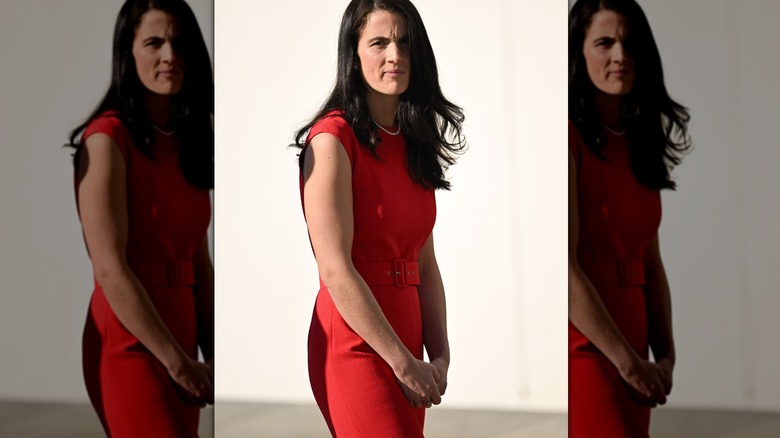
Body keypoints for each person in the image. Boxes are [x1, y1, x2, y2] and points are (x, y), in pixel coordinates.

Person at [294, 0, 466, 436]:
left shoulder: (413, 141)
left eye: (406, 43)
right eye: (379, 43)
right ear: (353, 54)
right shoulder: (331, 140)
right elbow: (335, 271)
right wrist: (401, 361)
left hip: (406, 343)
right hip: (356, 344)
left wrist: (439, 355)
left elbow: (424, 263)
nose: (396, 55)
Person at [68, 0, 214, 435]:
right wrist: (177, 362)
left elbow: (199, 264)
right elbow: (110, 270)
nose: (170, 55)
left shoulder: (188, 139)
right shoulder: (106, 140)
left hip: (184, 340)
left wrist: (212, 353)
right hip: (131, 343)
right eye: (154, 43)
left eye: (178, 42)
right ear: (127, 54)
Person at [568, 0, 691, 436]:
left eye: (629, 42)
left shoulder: (640, 138)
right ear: (579, 54)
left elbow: (651, 261)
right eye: (604, 42)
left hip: (636, 344)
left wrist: (666, 356)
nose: (620, 55)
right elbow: (565, 270)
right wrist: (626, 361)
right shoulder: (568, 138)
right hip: (586, 345)